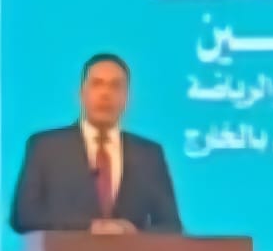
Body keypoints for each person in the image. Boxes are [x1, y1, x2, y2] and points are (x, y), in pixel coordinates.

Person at [10, 54, 183, 235]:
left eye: (115, 86)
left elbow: (171, 226)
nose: (106, 94)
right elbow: (23, 216)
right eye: (97, 84)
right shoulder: (46, 147)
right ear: (81, 93)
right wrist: (89, 227)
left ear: (127, 97)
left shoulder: (149, 155)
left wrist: (133, 232)